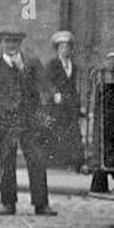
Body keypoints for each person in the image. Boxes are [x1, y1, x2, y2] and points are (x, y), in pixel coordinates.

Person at [0, 28, 56, 215]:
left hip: (29, 122)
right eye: (7, 42)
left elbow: (43, 87)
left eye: (15, 42)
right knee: (7, 162)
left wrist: (44, 113)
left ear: (20, 44)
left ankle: (41, 203)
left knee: (37, 160)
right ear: (1, 44)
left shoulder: (32, 64)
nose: (11, 45)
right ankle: (8, 202)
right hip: (5, 123)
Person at [44, 29, 84, 172]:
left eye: (67, 47)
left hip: (70, 103)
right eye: (62, 47)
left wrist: (79, 104)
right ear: (57, 49)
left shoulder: (74, 66)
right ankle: (55, 162)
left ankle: (72, 162)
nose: (65, 50)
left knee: (72, 131)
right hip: (57, 104)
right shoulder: (52, 64)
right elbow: (47, 82)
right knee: (56, 130)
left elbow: (74, 86)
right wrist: (55, 94)